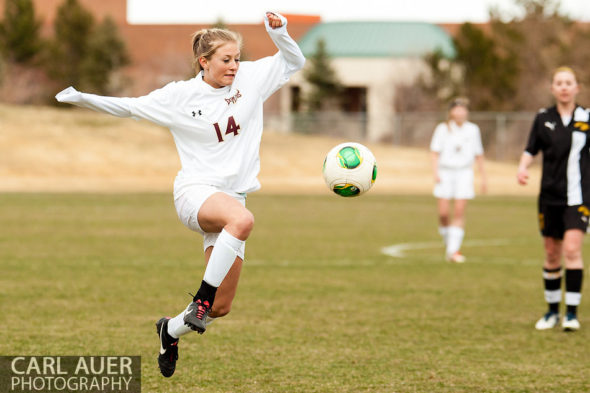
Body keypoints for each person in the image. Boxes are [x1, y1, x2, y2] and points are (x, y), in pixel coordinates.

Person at [55, 12, 305, 377]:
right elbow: (130, 107)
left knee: (221, 307)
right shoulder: (180, 96)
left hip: (234, 197)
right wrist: (80, 98)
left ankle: (169, 330)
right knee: (242, 222)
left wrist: (278, 32)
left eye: (237, 58)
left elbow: (294, 60)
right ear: (204, 62)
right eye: (225, 60)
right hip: (196, 193)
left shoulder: (251, 78)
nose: (235, 66)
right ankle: (199, 300)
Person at [517, 66, 589, 332]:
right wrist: (522, 167)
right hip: (549, 197)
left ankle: (571, 314)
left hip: (578, 197)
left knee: (572, 250)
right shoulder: (543, 118)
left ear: (577, 87)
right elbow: (530, 149)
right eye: (559, 82)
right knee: (551, 254)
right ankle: (551, 312)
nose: (564, 87)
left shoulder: (586, 117)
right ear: (553, 88)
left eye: (569, 82)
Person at [430, 97, 487, 263]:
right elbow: (434, 153)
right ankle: (450, 244)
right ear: (451, 111)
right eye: (457, 108)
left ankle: (453, 250)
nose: (460, 112)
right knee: (443, 213)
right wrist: (435, 172)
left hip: (464, 173)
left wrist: (483, 177)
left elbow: (479, 154)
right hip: (445, 172)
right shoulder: (442, 129)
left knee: (459, 211)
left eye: (463, 109)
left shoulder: (473, 129)